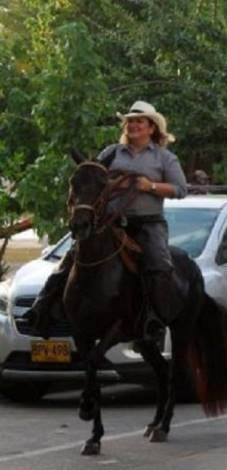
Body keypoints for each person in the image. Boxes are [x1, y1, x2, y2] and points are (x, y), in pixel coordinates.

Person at [24, 100, 188, 338]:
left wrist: (149, 185)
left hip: (147, 223)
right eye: (130, 122)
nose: (133, 126)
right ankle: (41, 309)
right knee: (71, 258)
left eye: (139, 122)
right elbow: (93, 181)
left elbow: (180, 189)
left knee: (157, 263)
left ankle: (154, 319)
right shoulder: (111, 153)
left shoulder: (164, 158)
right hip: (110, 222)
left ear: (151, 127)